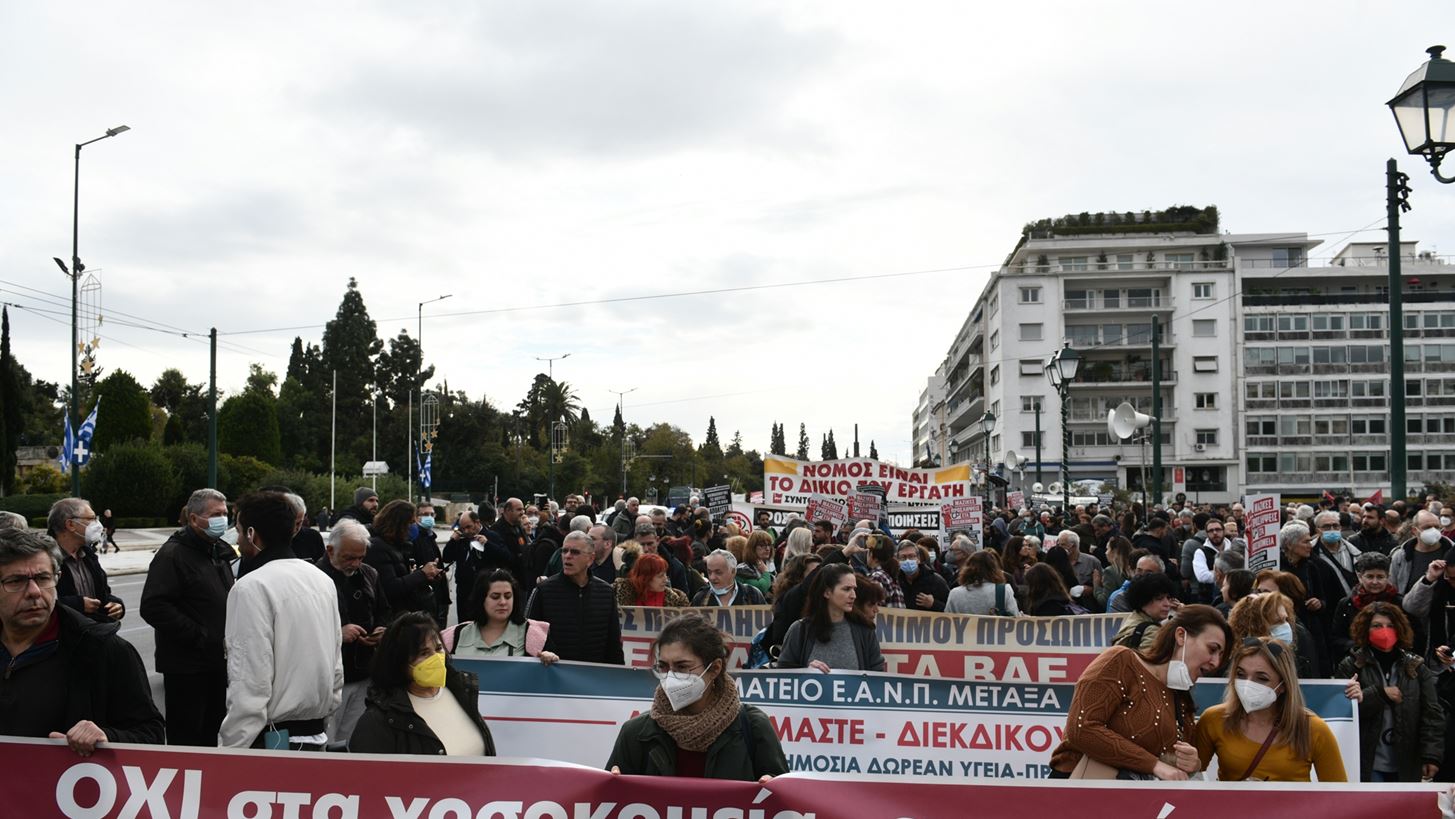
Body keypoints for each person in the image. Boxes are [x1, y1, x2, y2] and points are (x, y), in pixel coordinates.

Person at [0, 527, 163, 755]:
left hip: (70, 789)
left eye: (43, 578)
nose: (34, 592)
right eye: (16, 581)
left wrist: (107, 737)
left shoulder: (105, 650)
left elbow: (151, 734)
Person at [219, 491, 342, 750]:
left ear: (252, 534)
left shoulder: (250, 587)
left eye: (239, 530)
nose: (238, 539)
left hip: (272, 739)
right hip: (314, 732)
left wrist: (231, 749)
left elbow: (250, 678)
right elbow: (335, 662)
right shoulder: (322, 580)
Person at [1050, 605, 1230, 779]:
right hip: (1076, 796)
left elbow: (1174, 769)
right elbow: (1081, 729)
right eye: (1212, 649)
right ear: (1181, 636)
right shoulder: (1121, 661)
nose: (1215, 662)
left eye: (1220, 656)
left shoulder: (1182, 700)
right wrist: (1154, 765)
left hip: (1138, 804)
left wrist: (1192, 763)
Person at [607, 614, 788, 780]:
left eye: (682, 666)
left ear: (715, 668)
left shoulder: (753, 727)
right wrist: (614, 787)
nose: (671, 677)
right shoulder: (637, 733)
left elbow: (784, 803)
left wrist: (772, 786)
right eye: (663, 666)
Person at [140, 488, 235, 746]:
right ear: (194, 519)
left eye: (225, 513)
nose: (223, 520)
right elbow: (153, 606)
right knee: (188, 734)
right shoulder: (172, 555)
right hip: (187, 666)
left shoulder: (217, 550)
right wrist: (199, 634)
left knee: (211, 729)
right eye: (216, 514)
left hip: (215, 662)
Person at [1193, 637, 1346, 781]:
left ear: (1283, 685)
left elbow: (1339, 795)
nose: (1247, 684)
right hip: (1233, 809)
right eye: (1240, 674)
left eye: (1262, 678)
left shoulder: (1313, 729)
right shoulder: (1213, 719)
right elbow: (1190, 777)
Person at [349, 612, 497, 756]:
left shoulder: (460, 690)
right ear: (400, 662)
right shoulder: (378, 720)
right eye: (424, 653)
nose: (436, 658)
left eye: (438, 648)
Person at [1336, 602, 1445, 782]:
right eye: (1377, 626)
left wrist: (1431, 755)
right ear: (1365, 629)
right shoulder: (1350, 665)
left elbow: (1432, 714)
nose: (1384, 631)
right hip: (1368, 762)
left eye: (1390, 626)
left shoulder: (1416, 666)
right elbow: (1342, 715)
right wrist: (1379, 694)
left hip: (1406, 761)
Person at [316, 518, 387, 746]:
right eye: (349, 557)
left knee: (353, 738)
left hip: (364, 671)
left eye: (361, 557)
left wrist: (381, 629)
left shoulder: (369, 574)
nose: (356, 563)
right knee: (328, 738)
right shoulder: (314, 578)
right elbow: (306, 629)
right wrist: (338, 633)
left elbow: (384, 610)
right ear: (330, 550)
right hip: (330, 676)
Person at [525, 531, 624, 664]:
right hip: (553, 672)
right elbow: (531, 634)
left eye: (575, 552)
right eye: (564, 551)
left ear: (590, 558)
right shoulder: (544, 590)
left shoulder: (605, 592)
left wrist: (616, 676)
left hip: (595, 674)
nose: (567, 556)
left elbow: (613, 642)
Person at [777, 564, 885, 672]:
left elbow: (877, 677)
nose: (853, 595)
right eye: (846, 589)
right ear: (827, 592)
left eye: (854, 589)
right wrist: (806, 671)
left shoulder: (865, 631)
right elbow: (783, 675)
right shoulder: (799, 630)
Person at [443, 570, 559, 661]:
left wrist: (549, 660)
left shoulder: (535, 634)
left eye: (508, 596)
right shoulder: (455, 635)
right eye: (495, 596)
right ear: (481, 599)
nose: (503, 602)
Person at [47, 498, 124, 624]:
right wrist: (77, 604)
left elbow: (104, 593)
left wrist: (116, 604)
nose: (97, 524)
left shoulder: (88, 556)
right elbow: (38, 602)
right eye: (91, 519)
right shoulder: (45, 559)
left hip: (95, 634)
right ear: (70, 525)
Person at [366, 499, 442, 622]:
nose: (413, 526)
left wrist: (426, 576)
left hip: (404, 614)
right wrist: (422, 573)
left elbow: (404, 578)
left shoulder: (398, 546)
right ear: (398, 523)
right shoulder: (378, 547)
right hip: (391, 618)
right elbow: (390, 588)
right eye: (411, 522)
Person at [442, 506, 518, 623]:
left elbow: (507, 557)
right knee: (464, 623)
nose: (466, 531)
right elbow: (446, 558)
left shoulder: (491, 536)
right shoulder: (462, 539)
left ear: (477, 523)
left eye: (469, 527)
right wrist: (452, 541)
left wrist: (487, 544)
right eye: (463, 528)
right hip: (464, 589)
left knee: (482, 622)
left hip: (483, 588)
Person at [1331, 551, 1403, 664]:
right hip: (1358, 661)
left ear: (1388, 577)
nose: (1375, 582)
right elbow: (1337, 638)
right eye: (1370, 576)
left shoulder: (1398, 602)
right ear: (1360, 576)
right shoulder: (1346, 604)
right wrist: (1359, 647)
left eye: (1380, 577)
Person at [1228, 592, 1317, 678]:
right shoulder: (1236, 668)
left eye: (1286, 620)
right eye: (1278, 622)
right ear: (1255, 627)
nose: (1286, 626)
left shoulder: (1298, 664)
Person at [1392, 511, 1454, 594]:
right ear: (1414, 530)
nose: (1433, 530)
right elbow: (1393, 586)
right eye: (1427, 527)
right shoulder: (1400, 556)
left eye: (1436, 527)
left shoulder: (1451, 551)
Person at [1113, 573, 1177, 651]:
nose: (1167, 604)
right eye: (1159, 599)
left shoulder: (1133, 619)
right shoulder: (1151, 631)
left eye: (1168, 598)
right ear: (1143, 601)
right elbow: (1149, 662)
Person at [946, 550, 1018, 616]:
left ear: (967, 569)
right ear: (994, 569)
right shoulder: (1004, 591)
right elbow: (1014, 617)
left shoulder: (954, 593)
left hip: (962, 630)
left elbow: (946, 621)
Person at [412, 501, 450, 625]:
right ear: (417, 517)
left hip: (439, 594)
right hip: (426, 596)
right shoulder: (415, 538)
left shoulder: (430, 537)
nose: (429, 517)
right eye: (425, 514)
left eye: (432, 514)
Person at [692, 549, 767, 607]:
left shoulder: (752, 594)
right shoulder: (700, 598)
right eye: (709, 572)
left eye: (718, 572)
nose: (712, 577)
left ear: (733, 572)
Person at [616, 553, 691, 608]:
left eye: (665, 574)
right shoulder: (619, 592)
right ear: (645, 578)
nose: (666, 579)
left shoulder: (677, 601)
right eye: (660, 576)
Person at [899, 541, 949, 612]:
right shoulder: (895, 581)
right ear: (898, 560)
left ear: (918, 559)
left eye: (911, 556)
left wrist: (934, 604)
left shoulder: (935, 581)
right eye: (903, 557)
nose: (907, 560)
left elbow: (950, 609)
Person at [863, 534, 905, 608]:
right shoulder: (888, 575)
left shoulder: (877, 577)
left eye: (868, 551)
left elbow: (872, 608)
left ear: (872, 555)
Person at [1096, 536, 1135, 612]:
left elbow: (1105, 601)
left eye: (1107, 549)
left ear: (1115, 551)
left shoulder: (1110, 571)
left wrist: (1096, 586)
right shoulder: (1134, 567)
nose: (1105, 552)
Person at [733, 532, 776, 599]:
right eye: (762, 545)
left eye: (769, 545)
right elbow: (762, 588)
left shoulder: (771, 567)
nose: (767, 549)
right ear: (752, 548)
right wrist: (765, 572)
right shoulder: (743, 569)